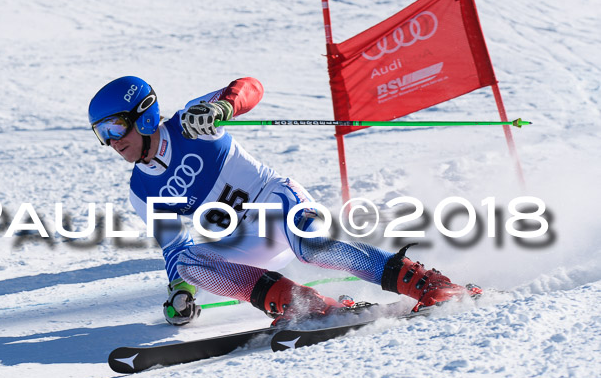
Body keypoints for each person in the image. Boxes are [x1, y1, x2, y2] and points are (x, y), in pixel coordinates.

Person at [88, 76, 481, 326]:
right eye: (100, 133)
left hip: (277, 202)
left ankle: (429, 283)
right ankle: (302, 303)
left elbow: (250, 86)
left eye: (114, 126)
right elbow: (176, 249)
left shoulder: (192, 122)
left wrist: (223, 107)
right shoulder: (142, 190)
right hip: (246, 241)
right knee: (191, 263)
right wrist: (182, 292)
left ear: (143, 114)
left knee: (309, 245)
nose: (111, 141)